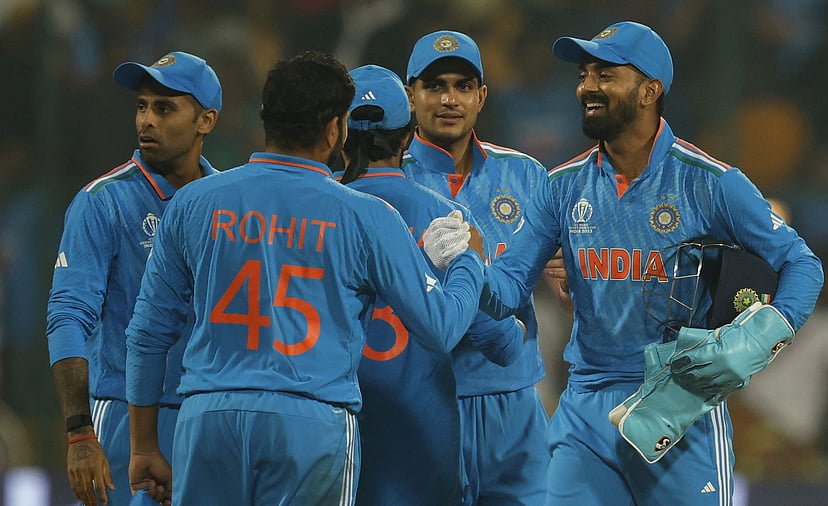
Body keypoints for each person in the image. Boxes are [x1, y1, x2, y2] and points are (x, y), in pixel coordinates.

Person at [424, 21, 823, 505]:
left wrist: (760, 338)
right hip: (584, 412)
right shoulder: (562, 184)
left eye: (606, 74)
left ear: (650, 90)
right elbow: (508, 290)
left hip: (677, 406)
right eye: (584, 74)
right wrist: (471, 262)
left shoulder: (710, 182)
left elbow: (802, 264)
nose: (587, 86)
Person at [123, 51, 488, 506]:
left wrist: (142, 447)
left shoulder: (194, 202)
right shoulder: (365, 216)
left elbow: (145, 333)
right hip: (309, 420)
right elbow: (440, 327)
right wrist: (469, 261)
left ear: (264, 117)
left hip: (209, 417)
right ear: (336, 128)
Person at [336, 64, 524, 505]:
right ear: (406, 138)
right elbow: (499, 344)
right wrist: (511, 325)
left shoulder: (310, 210)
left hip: (330, 429)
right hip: (420, 438)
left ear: (338, 134)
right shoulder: (446, 218)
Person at [45, 50, 221, 506]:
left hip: (211, 414)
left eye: (164, 108)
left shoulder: (229, 204)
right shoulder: (102, 201)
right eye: (142, 106)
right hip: (123, 418)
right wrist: (80, 433)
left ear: (206, 120)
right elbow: (68, 315)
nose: (146, 120)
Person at [402, 30, 551, 505]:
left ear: (481, 96)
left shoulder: (526, 174)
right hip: (423, 402)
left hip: (513, 404)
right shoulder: (388, 179)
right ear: (411, 95)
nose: (449, 98)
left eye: (463, 86)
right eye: (435, 85)